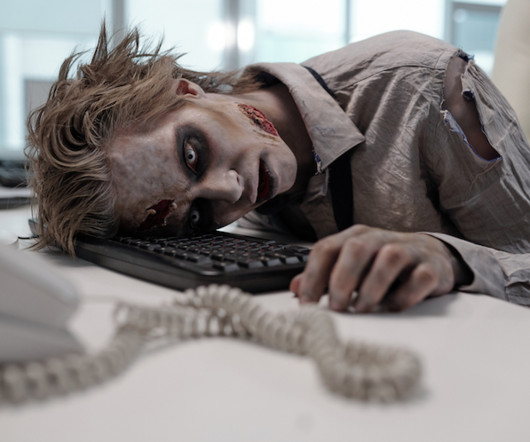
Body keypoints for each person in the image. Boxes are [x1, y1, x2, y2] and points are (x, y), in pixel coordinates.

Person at [26, 24, 530, 313]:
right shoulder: (248, 172)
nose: (231, 192)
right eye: (199, 215)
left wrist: (447, 257)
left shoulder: (422, 87)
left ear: (185, 91)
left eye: (193, 154)